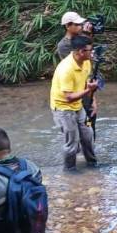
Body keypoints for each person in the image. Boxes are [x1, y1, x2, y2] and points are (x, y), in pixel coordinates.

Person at [49, 35, 98, 171]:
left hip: (78, 105)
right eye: (90, 50)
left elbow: (86, 83)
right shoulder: (66, 69)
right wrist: (88, 90)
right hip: (63, 108)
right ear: (81, 52)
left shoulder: (86, 62)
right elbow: (68, 97)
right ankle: (69, 170)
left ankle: (92, 164)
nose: (92, 53)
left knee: (87, 136)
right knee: (72, 142)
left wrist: (93, 100)